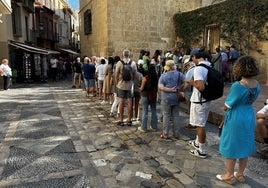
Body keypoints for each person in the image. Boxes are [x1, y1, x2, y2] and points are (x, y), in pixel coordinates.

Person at [216, 56, 260, 185]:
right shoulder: (257, 84)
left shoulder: (238, 85)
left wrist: (225, 107)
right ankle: (240, 174)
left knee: (231, 144)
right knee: (244, 144)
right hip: (248, 115)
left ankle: (229, 175)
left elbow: (227, 105)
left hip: (236, 117)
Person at [187, 50, 212, 158]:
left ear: (194, 57)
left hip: (199, 100)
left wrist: (191, 82)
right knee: (201, 123)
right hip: (206, 100)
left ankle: (202, 150)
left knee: (199, 125)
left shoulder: (198, 69)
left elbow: (200, 86)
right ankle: (197, 142)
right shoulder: (209, 66)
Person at [158, 60, 185, 139]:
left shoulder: (164, 76)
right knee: (176, 115)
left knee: (166, 115)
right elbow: (187, 82)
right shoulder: (180, 74)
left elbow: (160, 87)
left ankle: (165, 134)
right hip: (176, 97)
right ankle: (176, 134)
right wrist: (180, 88)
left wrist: (169, 89)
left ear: (168, 68)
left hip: (166, 98)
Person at [115, 50, 137, 126]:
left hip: (121, 85)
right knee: (130, 102)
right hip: (130, 85)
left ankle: (121, 120)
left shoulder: (119, 63)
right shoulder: (133, 63)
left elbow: (116, 74)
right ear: (129, 55)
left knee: (121, 101)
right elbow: (135, 74)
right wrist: (133, 83)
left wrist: (117, 83)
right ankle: (129, 120)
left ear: (123, 55)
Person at [138, 65, 158, 132]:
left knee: (145, 111)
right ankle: (154, 126)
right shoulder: (156, 77)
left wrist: (138, 88)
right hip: (153, 95)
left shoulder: (145, 78)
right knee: (154, 111)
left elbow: (141, 88)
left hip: (145, 95)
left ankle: (144, 127)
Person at [182, 57, 196, 129]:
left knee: (190, 108)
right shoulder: (197, 68)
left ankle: (191, 123)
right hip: (195, 92)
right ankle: (195, 123)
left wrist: (181, 89)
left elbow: (187, 83)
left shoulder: (190, 71)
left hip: (189, 92)